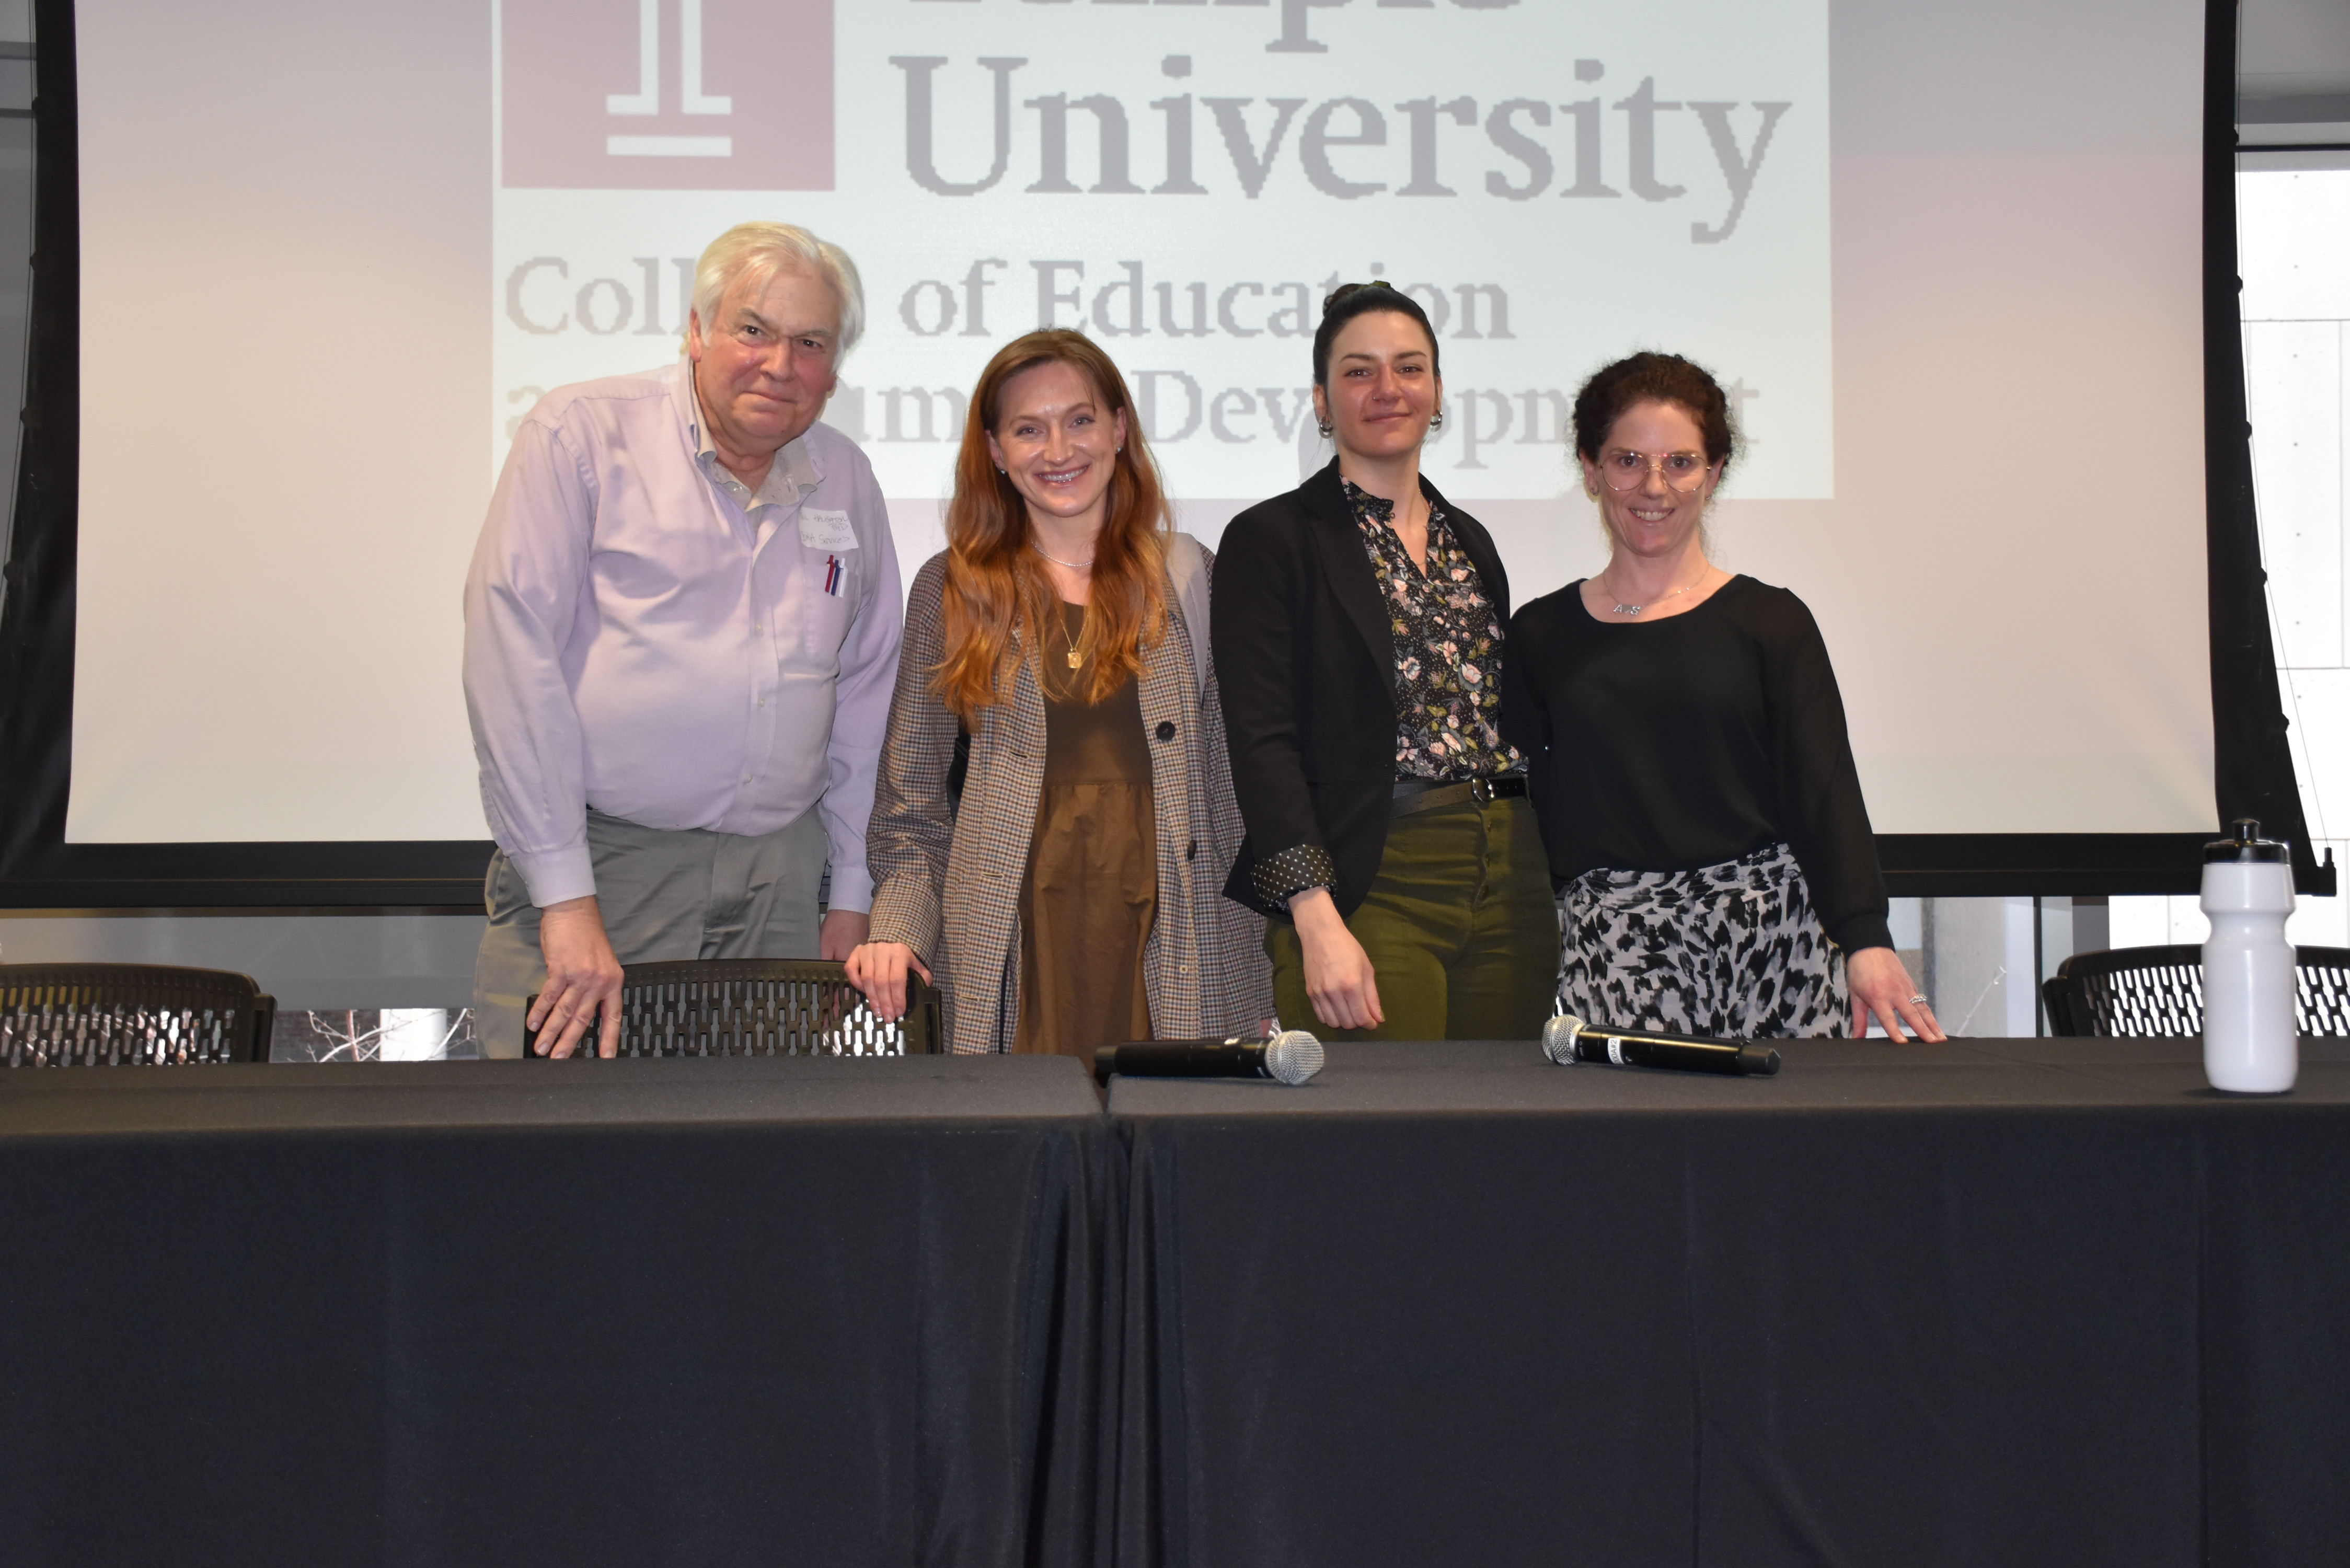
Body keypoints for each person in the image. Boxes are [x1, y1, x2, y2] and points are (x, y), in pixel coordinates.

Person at [464, 222, 901, 1058]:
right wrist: (564, 900)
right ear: (696, 332)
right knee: (568, 1160)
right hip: (610, 873)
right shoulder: (581, 437)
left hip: (782, 886)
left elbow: (866, 690)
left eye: (810, 342)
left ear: (835, 369)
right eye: (753, 330)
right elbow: (511, 666)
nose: (781, 365)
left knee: (750, 1163)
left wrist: (850, 891)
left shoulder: (845, 475)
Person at [848, 331, 1271, 1055]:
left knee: (1159, 1153)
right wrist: (896, 929)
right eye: (1028, 429)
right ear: (995, 451)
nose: (1058, 450)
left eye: (1079, 420)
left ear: (1118, 427)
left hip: (1173, 930)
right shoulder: (951, 589)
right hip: (1012, 935)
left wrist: (1249, 979)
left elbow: (1234, 796)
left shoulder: (1193, 576)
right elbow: (909, 803)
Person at [1502, 351, 1942, 1042]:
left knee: (1789, 1154)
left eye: (1679, 462)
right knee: (1632, 1152)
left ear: (1714, 473)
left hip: (1774, 947)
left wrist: (1866, 938)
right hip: (1613, 953)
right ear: (1590, 470)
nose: (1654, 485)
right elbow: (1523, 814)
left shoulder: (1772, 623)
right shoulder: (1539, 634)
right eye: (1627, 461)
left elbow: (1824, 789)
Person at [1211, 283, 1558, 1041]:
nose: (1387, 389)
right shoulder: (1271, 541)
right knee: (1386, 1140)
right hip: (1373, 878)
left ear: (1437, 392)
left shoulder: (1471, 540)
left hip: (1511, 875)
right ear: (1322, 401)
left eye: (1409, 368)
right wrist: (1314, 916)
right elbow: (1262, 744)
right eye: (1359, 371)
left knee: (1508, 1136)